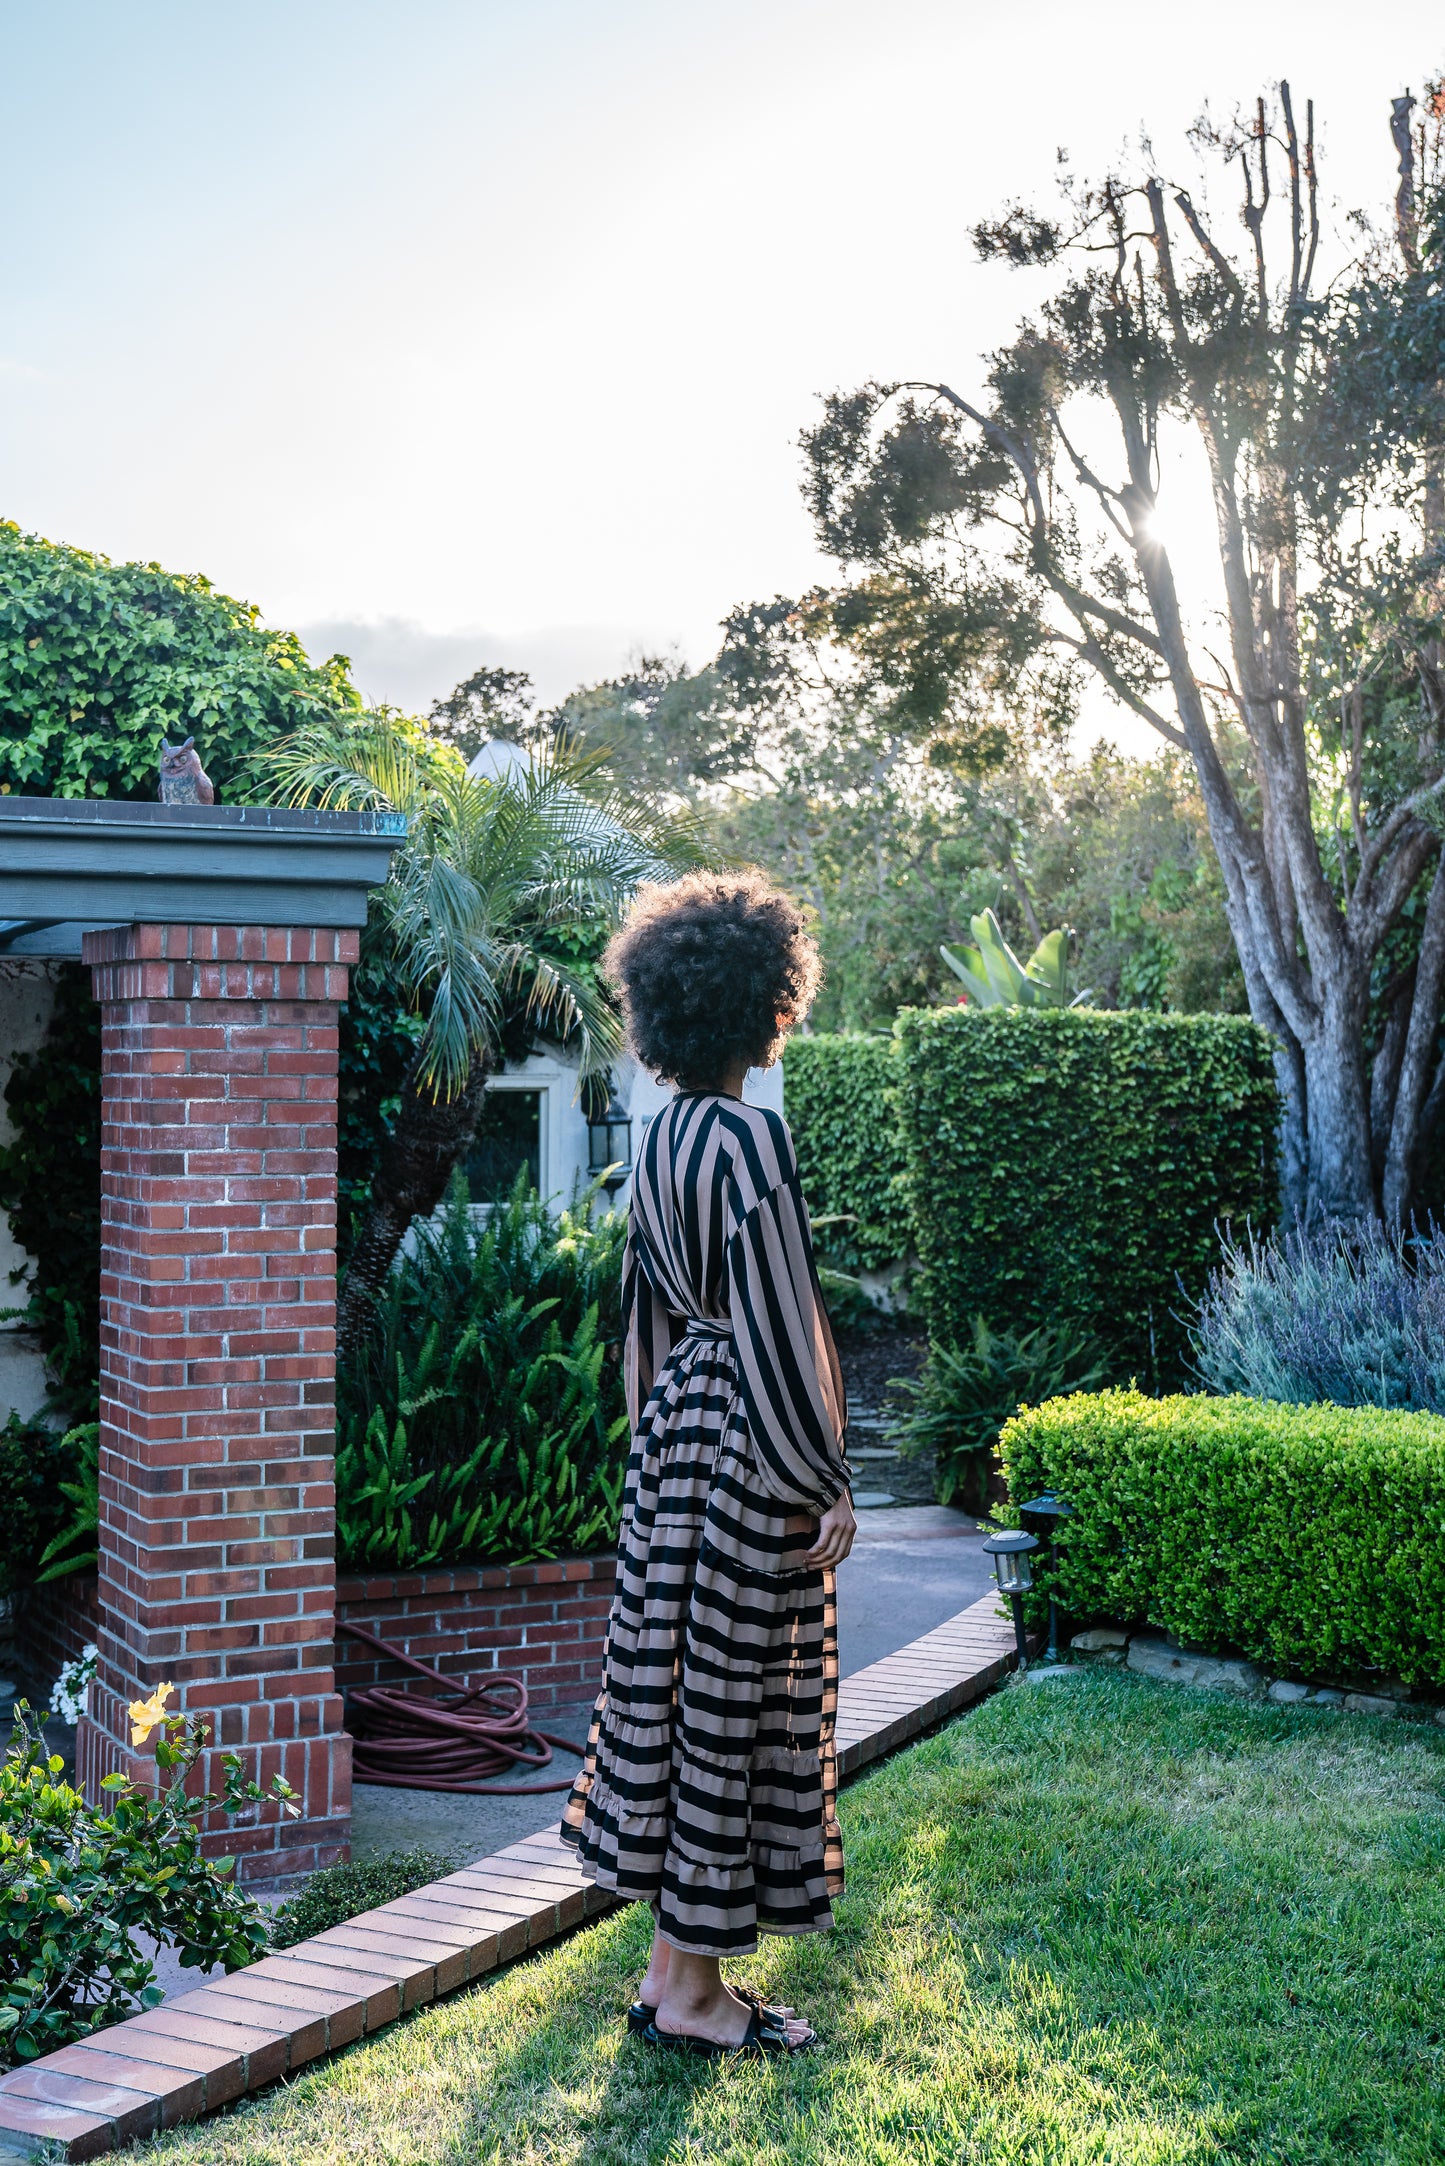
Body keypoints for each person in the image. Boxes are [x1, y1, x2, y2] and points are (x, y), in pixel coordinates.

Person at [561, 869, 856, 2059]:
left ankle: (670, 1977)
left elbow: (644, 1317)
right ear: (767, 1002)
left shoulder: (662, 1133)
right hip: (748, 1438)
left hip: (680, 1431)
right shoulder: (747, 1139)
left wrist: (659, 1449)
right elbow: (783, 1320)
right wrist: (819, 1474)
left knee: (685, 1698)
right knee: (737, 1704)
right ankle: (688, 1996)